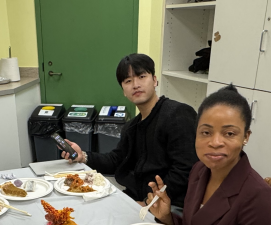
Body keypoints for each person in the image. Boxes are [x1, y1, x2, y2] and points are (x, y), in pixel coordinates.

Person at [146, 85, 271, 225]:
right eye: (206, 132)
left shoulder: (259, 197)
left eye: (229, 133)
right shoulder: (199, 170)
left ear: (245, 137)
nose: (215, 142)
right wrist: (167, 218)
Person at [61, 53, 198, 207]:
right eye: (128, 81)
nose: (135, 85)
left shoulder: (177, 114)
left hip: (171, 206)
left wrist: (148, 203)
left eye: (141, 76)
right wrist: (83, 156)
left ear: (154, 80)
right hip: (137, 198)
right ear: (124, 91)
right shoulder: (131, 127)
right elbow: (117, 160)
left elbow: (186, 170)